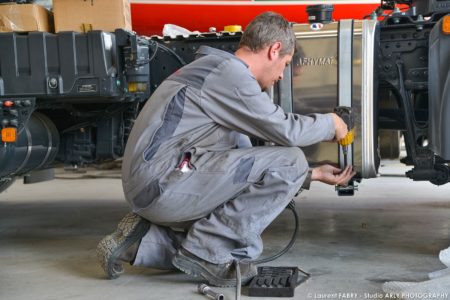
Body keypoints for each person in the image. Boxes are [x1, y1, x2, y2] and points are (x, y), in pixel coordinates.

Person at [96, 11, 355, 287]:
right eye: (286, 64)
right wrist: (333, 124)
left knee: (242, 197)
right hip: (162, 184)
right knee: (290, 161)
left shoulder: (215, 71)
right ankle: (208, 252)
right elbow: (285, 130)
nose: (282, 75)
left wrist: (310, 175)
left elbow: (239, 161)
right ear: (274, 49)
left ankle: (141, 243)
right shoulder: (230, 75)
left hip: (159, 181)